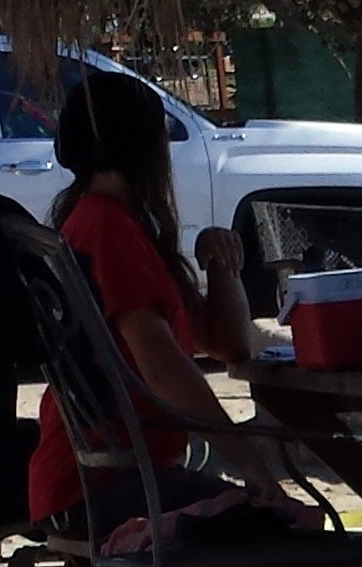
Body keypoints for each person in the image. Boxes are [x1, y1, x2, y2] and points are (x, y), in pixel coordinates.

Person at [26, 72, 280, 536]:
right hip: (104, 485)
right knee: (287, 529)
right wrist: (253, 465)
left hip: (112, 478)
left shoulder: (119, 224)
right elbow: (163, 370)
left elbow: (230, 345)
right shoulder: (106, 230)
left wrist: (221, 264)